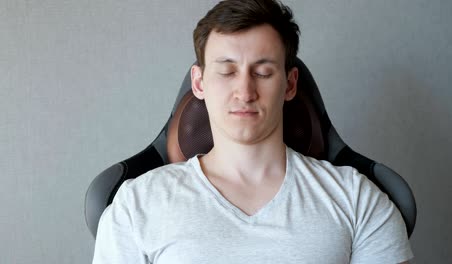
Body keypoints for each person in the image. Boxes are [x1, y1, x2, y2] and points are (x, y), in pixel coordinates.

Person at [92, 0, 413, 263]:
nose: (244, 91)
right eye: (227, 71)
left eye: (262, 72)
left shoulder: (356, 199)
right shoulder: (136, 205)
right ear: (199, 83)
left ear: (289, 84)